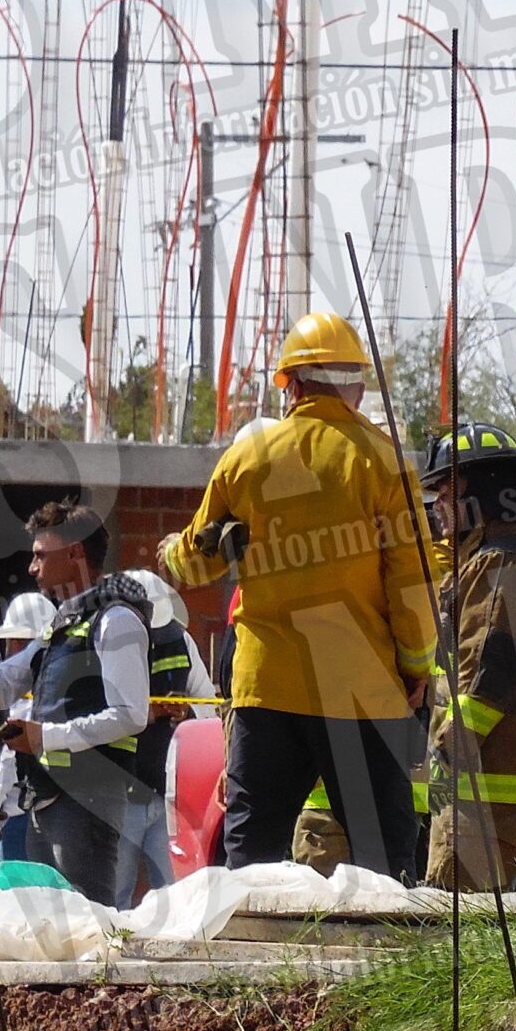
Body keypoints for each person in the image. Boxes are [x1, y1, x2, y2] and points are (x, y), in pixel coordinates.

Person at [159, 312, 435, 881]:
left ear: (291, 383)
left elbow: (197, 558)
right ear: (355, 385)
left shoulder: (248, 457)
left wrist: (168, 554)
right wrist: (416, 664)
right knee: (383, 862)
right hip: (361, 691)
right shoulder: (383, 462)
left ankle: (245, 965)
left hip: (269, 689)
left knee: (252, 859)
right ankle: (388, 968)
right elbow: (412, 582)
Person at [0, 502, 150, 906]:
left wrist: (44, 736)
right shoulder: (62, 625)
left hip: (89, 798)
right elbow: (1, 688)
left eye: (40, 555)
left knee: (86, 925)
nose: (32, 567)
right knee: (49, 926)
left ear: (75, 553)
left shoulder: (116, 620)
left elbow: (131, 715)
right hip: (47, 798)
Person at [420, 422, 516, 892]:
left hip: (479, 795)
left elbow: (488, 669)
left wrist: (447, 750)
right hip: (488, 789)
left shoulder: (500, 561)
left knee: (457, 937)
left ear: (473, 495)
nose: (438, 507)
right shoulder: (504, 557)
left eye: (444, 492)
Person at [122, 570, 215, 897]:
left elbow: (209, 709)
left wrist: (185, 713)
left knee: (175, 896)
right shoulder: (101, 645)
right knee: (110, 897)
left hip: (167, 794)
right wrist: (149, 712)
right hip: (117, 794)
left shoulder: (180, 641)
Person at [0, 591, 56, 865]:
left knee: (18, 895)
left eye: (19, 643)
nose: (12, 653)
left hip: (19, 818)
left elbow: (9, 761)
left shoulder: (29, 700)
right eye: (9, 643)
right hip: (47, 811)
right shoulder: (53, 688)